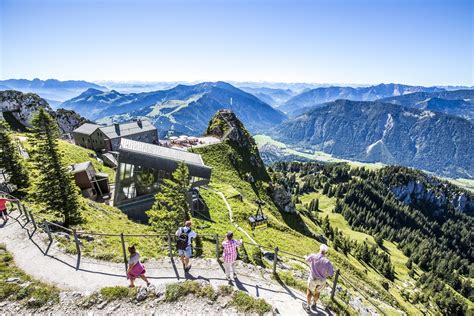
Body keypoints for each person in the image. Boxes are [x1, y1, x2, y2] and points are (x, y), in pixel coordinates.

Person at [303, 244, 334, 313]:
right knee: (317, 292)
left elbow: (306, 260)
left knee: (310, 291)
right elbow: (331, 274)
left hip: (313, 278)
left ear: (320, 249)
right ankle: (314, 304)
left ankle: (308, 306)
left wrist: (306, 257)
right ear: (326, 252)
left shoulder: (313, 256)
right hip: (322, 280)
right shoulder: (327, 262)